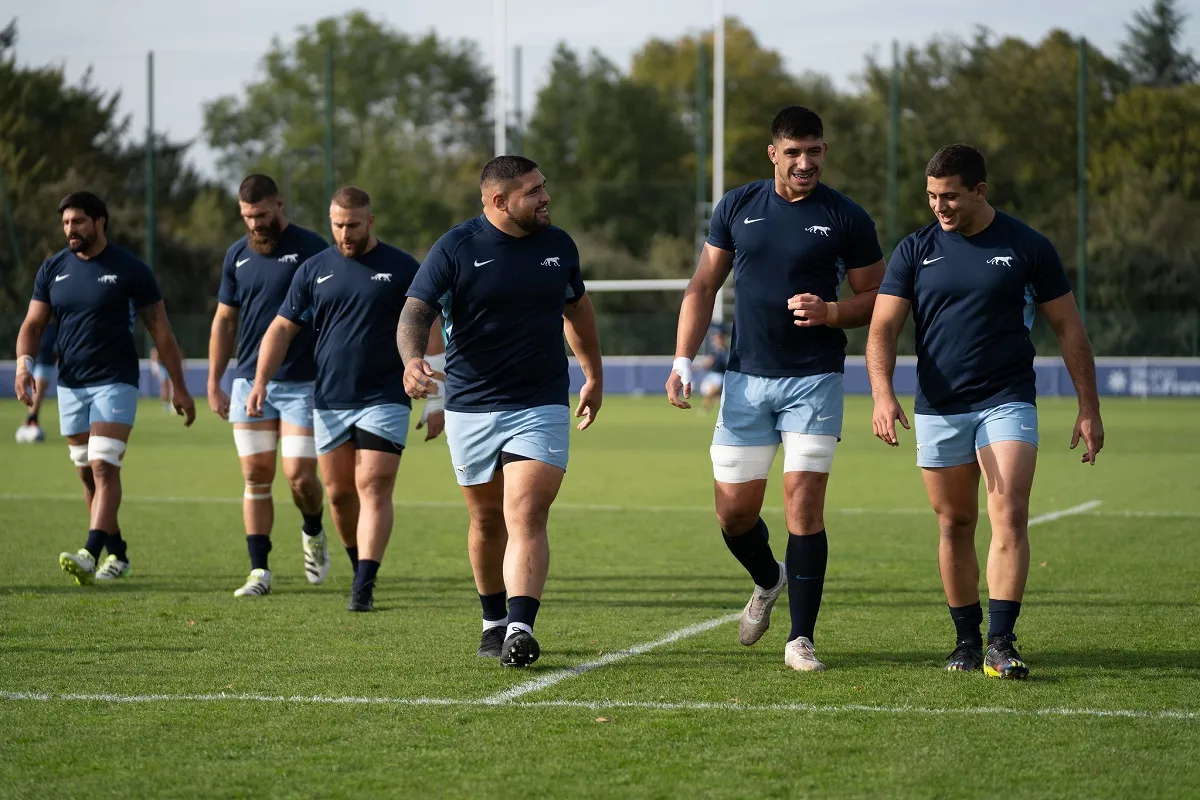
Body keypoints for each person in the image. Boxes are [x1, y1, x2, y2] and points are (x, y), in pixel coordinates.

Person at [865, 143, 1104, 679]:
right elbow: (882, 329)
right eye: (930, 197)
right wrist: (882, 392)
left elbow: (1069, 329)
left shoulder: (1027, 246)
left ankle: (1001, 640)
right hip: (940, 408)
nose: (939, 207)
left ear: (979, 190)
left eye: (949, 196)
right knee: (954, 523)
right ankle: (966, 641)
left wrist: (1088, 407)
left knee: (1009, 513)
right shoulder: (914, 250)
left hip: (1007, 399)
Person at [665, 106, 886, 672]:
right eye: (793, 152)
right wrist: (683, 360)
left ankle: (801, 639)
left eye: (813, 151)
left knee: (803, 510)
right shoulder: (737, 206)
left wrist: (833, 310)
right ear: (773, 154)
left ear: (824, 151)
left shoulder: (846, 217)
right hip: (743, 381)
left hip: (814, 380)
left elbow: (881, 300)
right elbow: (702, 284)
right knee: (734, 515)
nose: (804, 162)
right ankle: (768, 579)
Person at [398, 155, 603, 668]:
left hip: (540, 400)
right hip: (471, 405)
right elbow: (414, 312)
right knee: (486, 519)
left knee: (526, 512)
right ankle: (492, 620)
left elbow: (576, 309)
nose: (544, 197)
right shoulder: (456, 247)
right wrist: (411, 359)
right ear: (499, 201)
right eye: (532, 191)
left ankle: (519, 626)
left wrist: (593, 373)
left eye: (544, 186)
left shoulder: (560, 246)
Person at [249, 186, 445, 612]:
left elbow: (431, 325)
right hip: (330, 399)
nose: (345, 233)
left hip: (385, 396)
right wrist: (260, 380)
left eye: (353, 225)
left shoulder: (400, 268)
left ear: (370, 221)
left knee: (373, 484)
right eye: (338, 225)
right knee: (338, 494)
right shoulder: (313, 270)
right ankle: (359, 564)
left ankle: (363, 584)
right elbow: (282, 328)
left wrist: (436, 398)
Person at [13, 191, 195, 584]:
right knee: (85, 473)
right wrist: (23, 366)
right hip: (71, 384)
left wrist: (179, 386)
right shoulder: (52, 269)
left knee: (103, 466)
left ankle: (89, 552)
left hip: (115, 381)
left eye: (78, 221)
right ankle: (119, 553)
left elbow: (160, 330)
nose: (70, 229)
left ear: (100, 222)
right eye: (65, 223)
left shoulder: (130, 269)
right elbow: (32, 325)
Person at [207, 174, 332, 598]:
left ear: (279, 205)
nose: (254, 224)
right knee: (256, 475)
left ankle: (313, 528)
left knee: (299, 476)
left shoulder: (313, 248)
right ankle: (259, 571)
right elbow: (225, 321)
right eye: (246, 217)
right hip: (248, 383)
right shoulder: (237, 255)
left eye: (260, 215)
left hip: (303, 383)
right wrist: (214, 381)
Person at [15, 320, 57, 443]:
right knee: (40, 382)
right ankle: (31, 420)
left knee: (41, 382)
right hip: (46, 331)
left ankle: (31, 419)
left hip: (52, 329)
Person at [696, 327, 729, 413]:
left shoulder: (726, 351)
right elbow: (707, 362)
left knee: (712, 392)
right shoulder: (713, 351)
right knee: (712, 393)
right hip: (711, 374)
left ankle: (705, 409)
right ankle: (720, 404)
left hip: (720, 375)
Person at [149, 346, 173, 412]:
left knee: (172, 385)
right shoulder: (156, 344)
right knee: (164, 385)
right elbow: (153, 355)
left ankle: (172, 403)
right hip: (161, 366)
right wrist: (154, 367)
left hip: (170, 365)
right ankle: (165, 404)